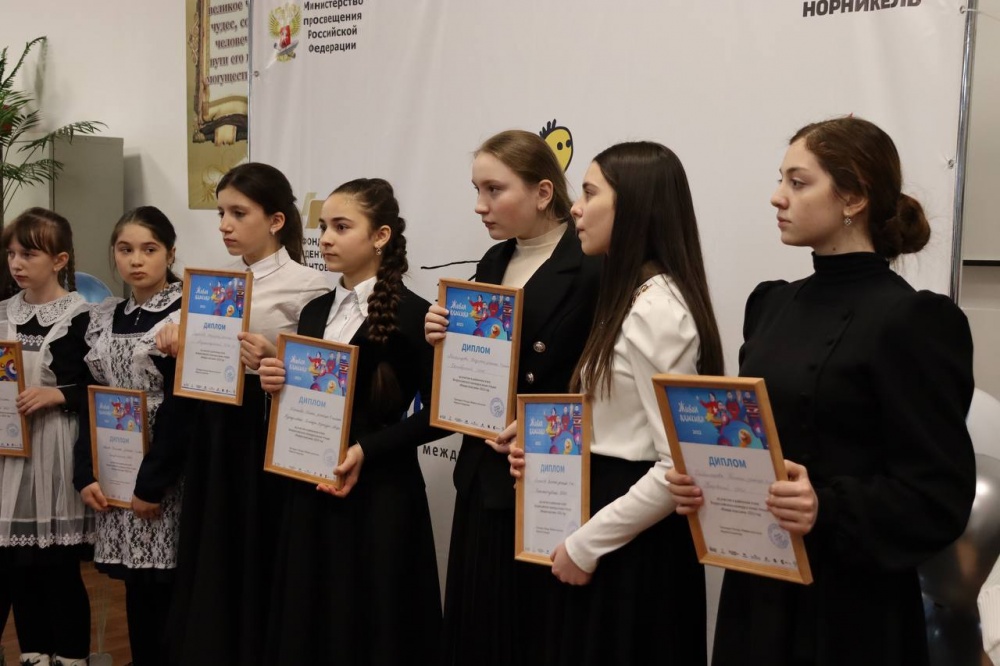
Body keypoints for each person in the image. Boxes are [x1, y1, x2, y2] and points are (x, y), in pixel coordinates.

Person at [666, 116, 976, 665]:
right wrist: (706, 483)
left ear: (853, 197)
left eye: (798, 182)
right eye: (780, 180)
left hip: (851, 611)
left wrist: (825, 507)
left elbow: (938, 496)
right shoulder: (771, 304)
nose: (777, 197)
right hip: (758, 590)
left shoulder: (914, 320)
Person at [506, 141, 723, 666]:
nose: (576, 208)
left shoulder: (658, 311)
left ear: (634, 207)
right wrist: (544, 438)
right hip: (608, 521)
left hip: (630, 542)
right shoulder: (628, 296)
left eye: (589, 193)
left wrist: (587, 545)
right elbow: (616, 416)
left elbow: (676, 467)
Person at [424, 129, 601, 666]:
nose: (480, 206)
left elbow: (599, 384)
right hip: (481, 470)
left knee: (531, 631)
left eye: (494, 190)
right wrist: (443, 335)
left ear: (544, 192)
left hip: (546, 479)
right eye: (477, 190)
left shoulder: (591, 267)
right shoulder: (494, 260)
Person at [259, 178, 447, 665]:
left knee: (373, 621)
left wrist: (368, 449)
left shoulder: (417, 315)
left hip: (380, 494)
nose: (325, 239)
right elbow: (303, 398)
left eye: (341, 227)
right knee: (313, 615)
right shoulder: (313, 311)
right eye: (323, 226)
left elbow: (443, 415)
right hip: (310, 486)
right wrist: (276, 382)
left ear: (380, 236)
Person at [162, 163, 330, 665]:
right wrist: (173, 337)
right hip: (215, 426)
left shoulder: (310, 285)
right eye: (221, 213)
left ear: (275, 220)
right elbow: (178, 344)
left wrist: (274, 357)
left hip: (264, 427)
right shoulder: (216, 283)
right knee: (215, 544)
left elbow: (322, 373)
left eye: (238, 213)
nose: (224, 225)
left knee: (257, 543)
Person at [73, 206, 188, 666]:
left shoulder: (184, 314)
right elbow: (91, 398)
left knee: (168, 596)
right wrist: (87, 472)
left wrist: (152, 483)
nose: (136, 260)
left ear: (170, 254)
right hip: (117, 464)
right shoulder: (104, 316)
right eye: (125, 250)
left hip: (166, 470)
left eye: (149, 249)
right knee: (138, 594)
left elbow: (184, 409)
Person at [0, 208, 93, 666]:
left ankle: (71, 656)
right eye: (12, 253)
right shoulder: (3, 313)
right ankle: (33, 654)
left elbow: (97, 386)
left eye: (29, 254)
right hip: (8, 454)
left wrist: (57, 395)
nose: (17, 264)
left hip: (54, 450)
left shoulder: (83, 317)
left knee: (57, 566)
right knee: (18, 567)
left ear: (59, 260)